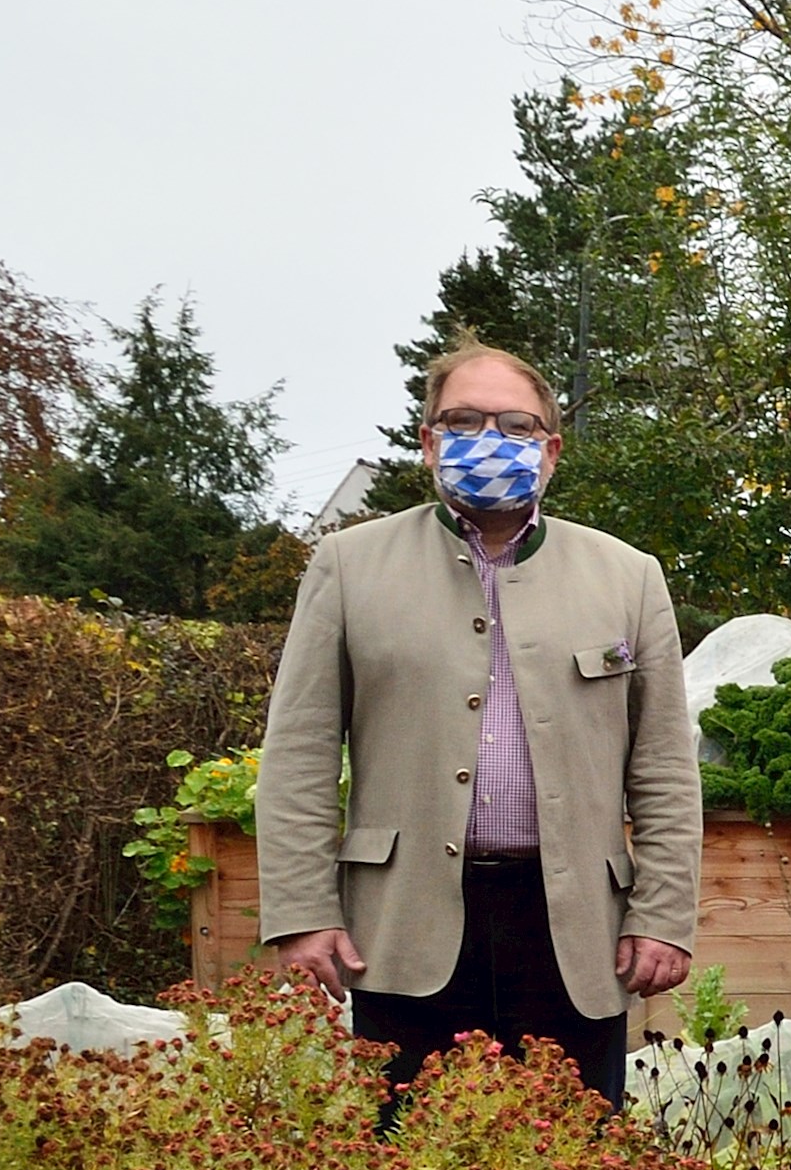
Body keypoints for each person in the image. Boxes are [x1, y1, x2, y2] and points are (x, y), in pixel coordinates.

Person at [258, 335, 698, 1106]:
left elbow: (662, 767)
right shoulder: (348, 566)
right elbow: (298, 755)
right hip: (401, 929)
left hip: (574, 933)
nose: (488, 440)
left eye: (516, 426)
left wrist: (661, 915)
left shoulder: (628, 577)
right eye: (463, 420)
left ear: (552, 449)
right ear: (428, 443)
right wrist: (301, 913)